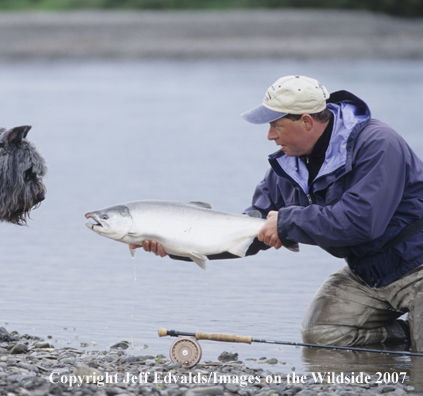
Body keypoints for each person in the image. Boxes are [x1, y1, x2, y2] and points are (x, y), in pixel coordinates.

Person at [135, 75, 423, 352]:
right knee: (319, 335)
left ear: (307, 122)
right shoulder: (289, 164)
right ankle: (409, 335)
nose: (270, 136)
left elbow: (361, 222)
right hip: (368, 272)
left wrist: (286, 223)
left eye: (276, 126)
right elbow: (249, 233)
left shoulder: (378, 144)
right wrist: (176, 246)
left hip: (417, 266)